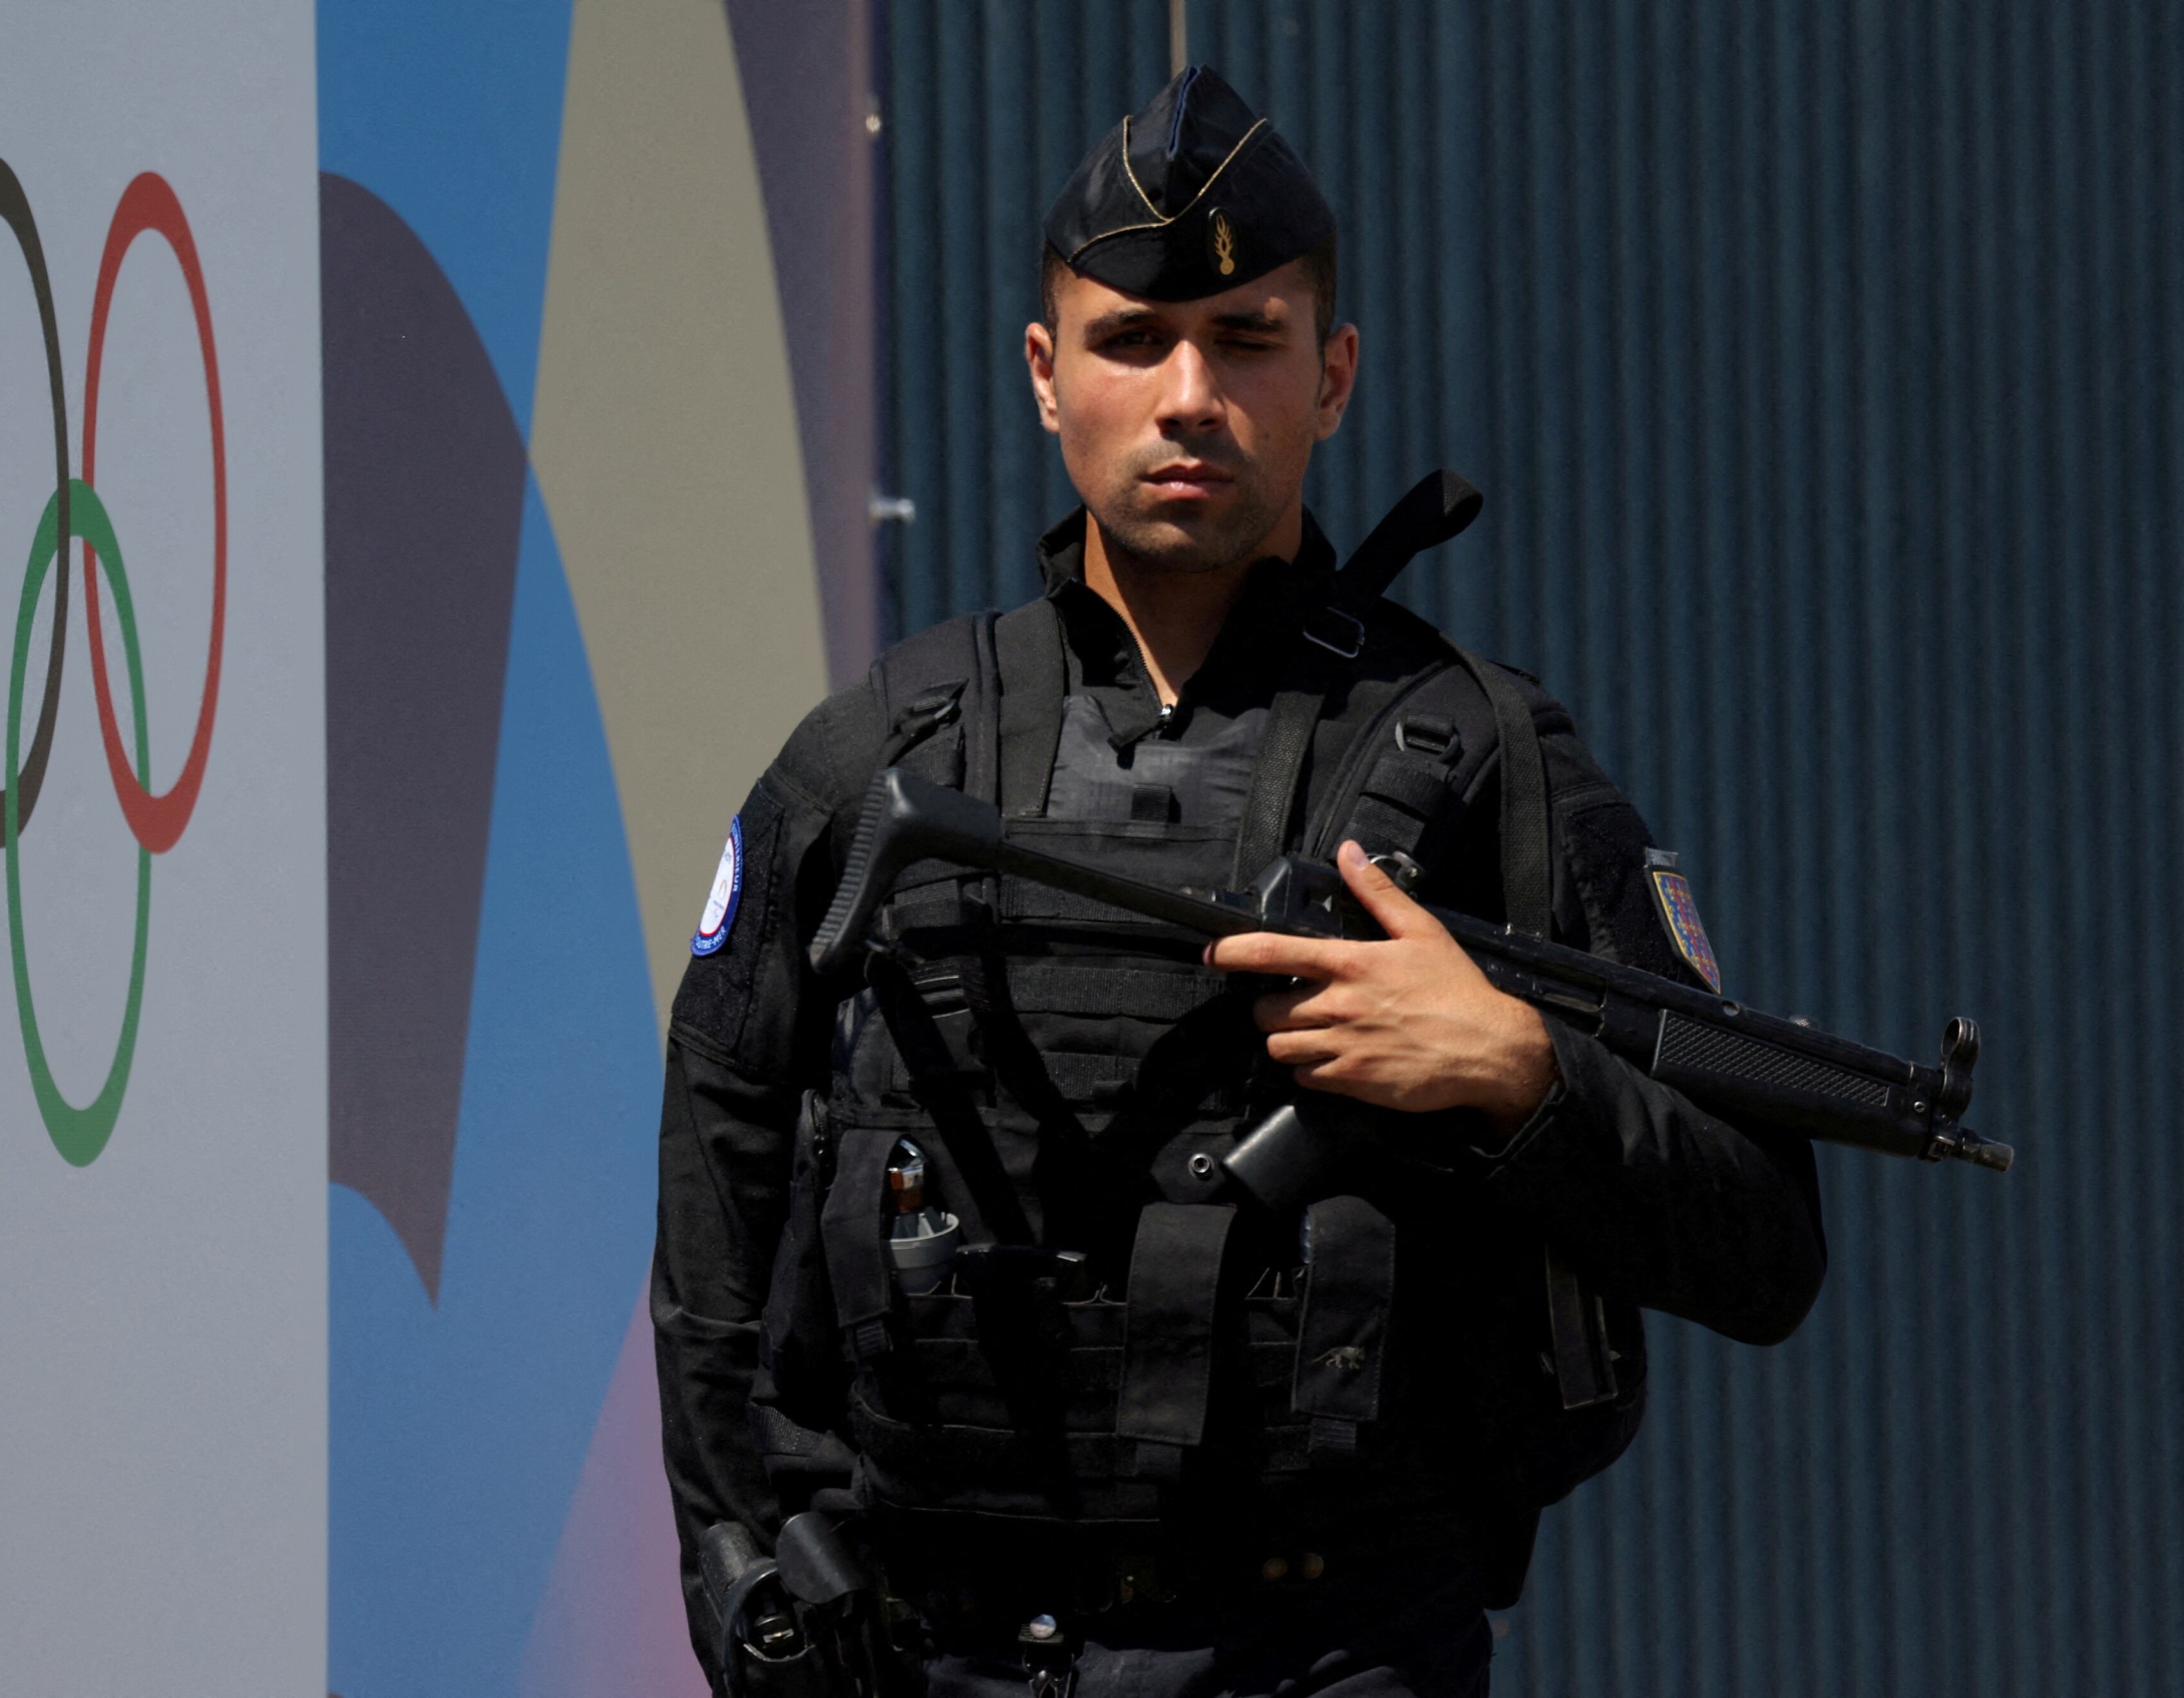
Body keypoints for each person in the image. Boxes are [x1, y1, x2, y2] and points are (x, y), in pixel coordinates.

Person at [654, 66, 1826, 1698]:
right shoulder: (871, 761)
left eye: (1246, 339)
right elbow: (719, 1196)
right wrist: (746, 1568)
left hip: (1327, 1645)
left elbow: (1764, 1243)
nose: (1188, 393)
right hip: (934, 1647)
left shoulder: (1486, 760)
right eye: (1133, 342)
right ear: (1043, 375)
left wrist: (1511, 1070)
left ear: (1330, 378)